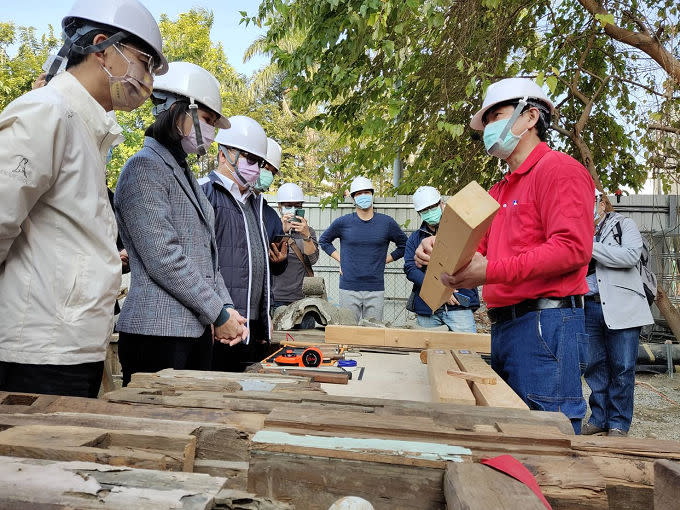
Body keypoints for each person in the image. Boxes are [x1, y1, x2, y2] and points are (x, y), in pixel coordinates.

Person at [0, 0, 168, 397]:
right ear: (102, 47)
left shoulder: (89, 129)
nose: (148, 80)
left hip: (72, 347)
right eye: (145, 62)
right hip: (37, 352)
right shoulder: (47, 112)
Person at [415, 78, 594, 433]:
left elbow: (573, 250)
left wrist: (490, 270)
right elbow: (477, 250)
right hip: (508, 325)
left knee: (545, 432)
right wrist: (436, 251)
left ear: (530, 117)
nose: (488, 128)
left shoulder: (559, 170)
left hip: (546, 324)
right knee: (511, 427)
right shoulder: (499, 190)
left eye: (496, 115)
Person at [114, 61, 248, 386]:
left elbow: (207, 257)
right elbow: (164, 258)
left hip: (193, 331)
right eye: (206, 120)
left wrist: (226, 308)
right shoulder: (143, 168)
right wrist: (217, 313)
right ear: (177, 112)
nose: (211, 132)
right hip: (157, 334)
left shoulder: (185, 173)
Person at [202, 116, 286, 371]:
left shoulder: (256, 205)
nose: (256, 168)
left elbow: (259, 269)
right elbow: (198, 263)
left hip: (251, 325)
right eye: (249, 159)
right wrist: (218, 314)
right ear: (223, 154)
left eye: (258, 162)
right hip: (219, 325)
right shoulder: (204, 194)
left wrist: (264, 316)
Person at [581, 190, 654, 437]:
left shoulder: (624, 224)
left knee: (622, 366)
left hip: (622, 304)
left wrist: (589, 247)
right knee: (594, 366)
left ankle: (619, 423)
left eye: (589, 202)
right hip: (588, 305)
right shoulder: (578, 228)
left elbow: (631, 255)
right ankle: (599, 417)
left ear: (602, 204)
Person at [319, 176, 408, 322]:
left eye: (367, 192)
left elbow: (404, 245)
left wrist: (385, 260)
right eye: (359, 193)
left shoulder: (386, 223)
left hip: (375, 288)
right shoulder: (343, 222)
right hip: (348, 288)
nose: (363, 196)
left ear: (372, 195)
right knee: (347, 332)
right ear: (353, 198)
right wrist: (342, 260)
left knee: (373, 335)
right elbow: (324, 241)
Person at [404, 186, 479, 332]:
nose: (429, 212)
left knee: (466, 351)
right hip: (427, 309)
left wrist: (447, 291)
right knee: (429, 353)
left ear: (442, 204)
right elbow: (410, 269)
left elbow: (470, 261)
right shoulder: (415, 239)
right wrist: (439, 290)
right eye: (425, 210)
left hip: (459, 307)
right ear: (419, 213)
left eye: (432, 207)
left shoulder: (461, 231)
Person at [272, 183, 320, 327]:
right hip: (277, 299)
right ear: (280, 207)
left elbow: (313, 259)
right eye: (288, 205)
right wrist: (282, 232)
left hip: (303, 300)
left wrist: (306, 236)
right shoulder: (272, 229)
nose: (293, 209)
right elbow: (268, 258)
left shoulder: (308, 231)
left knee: (304, 343)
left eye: (297, 205)